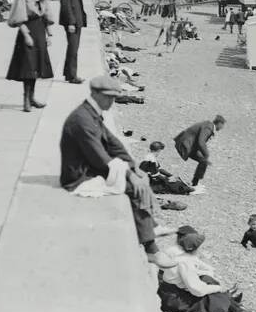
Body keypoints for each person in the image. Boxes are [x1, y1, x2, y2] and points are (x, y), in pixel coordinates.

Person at [59, 76, 176, 268]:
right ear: (95, 94)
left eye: (114, 97)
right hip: (78, 174)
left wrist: (133, 166)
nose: (112, 101)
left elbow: (113, 143)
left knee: (140, 177)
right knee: (133, 187)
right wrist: (130, 176)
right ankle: (151, 249)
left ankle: (151, 226)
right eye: (108, 97)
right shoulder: (82, 120)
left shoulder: (91, 112)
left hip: (88, 165)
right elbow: (99, 157)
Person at [158, 226, 244, 312]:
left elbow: (197, 264)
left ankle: (229, 297)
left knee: (206, 281)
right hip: (175, 301)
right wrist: (218, 288)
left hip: (167, 290)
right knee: (211, 299)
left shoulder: (176, 251)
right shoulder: (185, 261)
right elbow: (197, 290)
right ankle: (234, 306)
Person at [6, 0, 54, 112]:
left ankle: (32, 98)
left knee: (36, 67)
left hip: (39, 32)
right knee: (28, 67)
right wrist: (26, 35)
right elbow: (18, 19)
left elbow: (45, 17)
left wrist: (48, 35)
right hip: (27, 32)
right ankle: (26, 100)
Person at [173, 115, 225, 189]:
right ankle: (195, 185)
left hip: (187, 144)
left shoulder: (208, 125)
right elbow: (201, 142)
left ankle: (195, 183)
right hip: (185, 144)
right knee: (204, 161)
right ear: (219, 123)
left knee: (204, 161)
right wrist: (206, 154)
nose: (222, 128)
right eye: (222, 125)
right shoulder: (208, 127)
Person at [58, 0, 88, 84]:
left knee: (73, 48)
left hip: (77, 21)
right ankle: (72, 76)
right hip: (72, 22)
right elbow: (66, 5)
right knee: (73, 49)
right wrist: (70, 22)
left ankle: (68, 73)